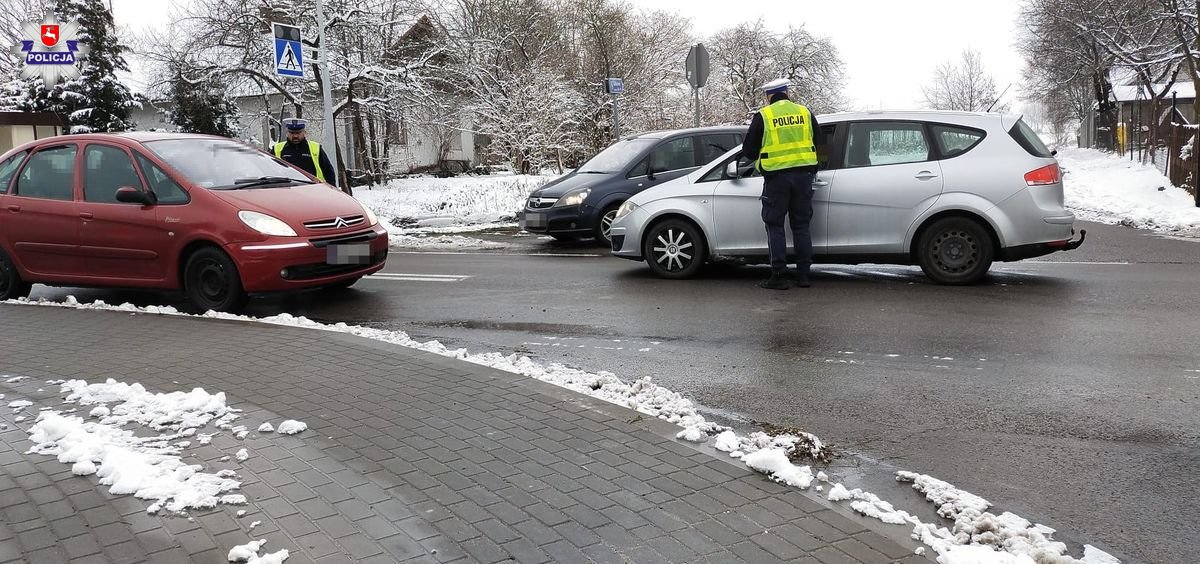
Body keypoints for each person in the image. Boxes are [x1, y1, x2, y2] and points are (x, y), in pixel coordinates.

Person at [741, 78, 824, 290]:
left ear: (769, 96)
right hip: (804, 176)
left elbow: (749, 150)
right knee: (801, 225)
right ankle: (804, 275)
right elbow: (821, 143)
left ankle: (779, 275)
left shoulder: (764, 115)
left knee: (774, 225)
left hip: (776, 179)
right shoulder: (805, 112)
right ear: (787, 92)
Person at [273, 118, 338, 189]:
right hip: (286, 191)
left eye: (298, 133)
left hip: (312, 191)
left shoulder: (316, 148)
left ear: (304, 132)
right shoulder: (277, 149)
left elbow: (328, 171)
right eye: (292, 133)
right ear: (287, 133)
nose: (295, 136)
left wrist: (332, 190)